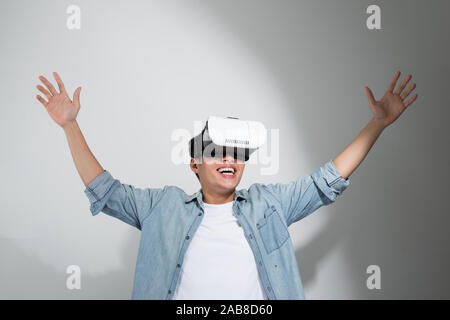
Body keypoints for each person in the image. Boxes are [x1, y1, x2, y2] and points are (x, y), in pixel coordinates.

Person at [35, 71, 418, 299]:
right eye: (217, 151)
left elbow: (327, 181)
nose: (230, 159)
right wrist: (70, 125)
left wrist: (377, 124)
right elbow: (105, 190)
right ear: (194, 164)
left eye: (237, 153)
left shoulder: (270, 204)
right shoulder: (161, 207)